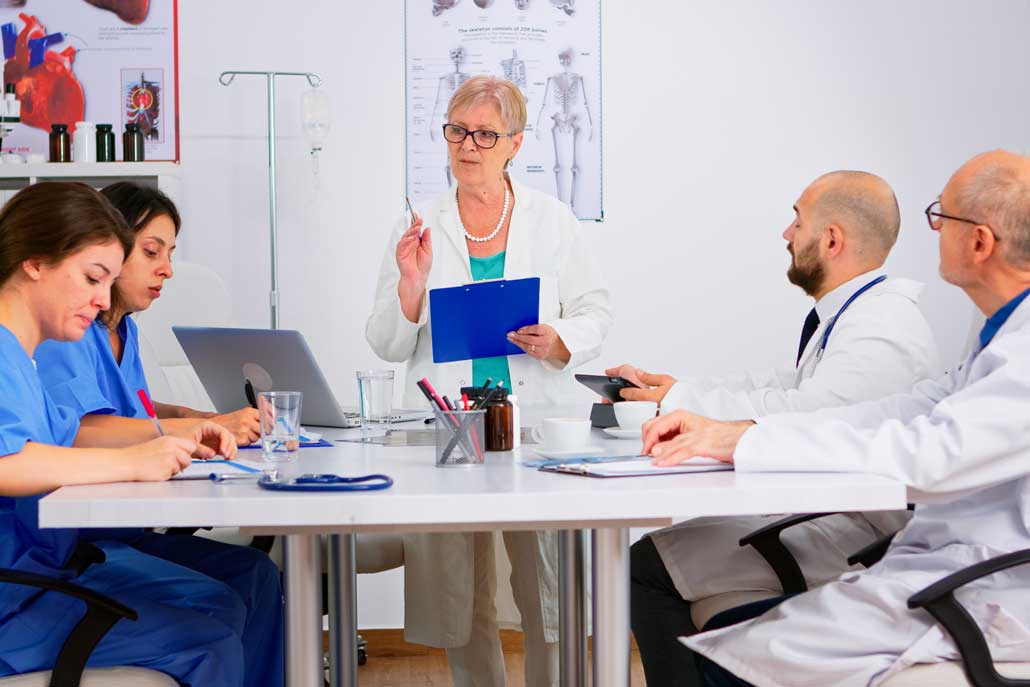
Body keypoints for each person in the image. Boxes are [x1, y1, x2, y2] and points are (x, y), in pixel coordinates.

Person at [642, 150, 1030, 687]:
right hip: (943, 562)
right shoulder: (1001, 332)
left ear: (980, 242)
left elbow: (929, 455)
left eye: (942, 216)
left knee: (726, 660)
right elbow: (908, 407)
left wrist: (746, 442)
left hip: (987, 588)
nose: (934, 228)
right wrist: (744, 435)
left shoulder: (1019, 349)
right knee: (727, 645)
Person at [608, 171, 940, 686]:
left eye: (797, 220)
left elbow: (812, 412)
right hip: (827, 512)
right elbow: (784, 386)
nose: (787, 234)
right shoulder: (855, 314)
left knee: (642, 566)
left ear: (831, 239)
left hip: (860, 534)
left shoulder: (882, 328)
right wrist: (677, 392)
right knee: (646, 559)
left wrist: (702, 419)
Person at [366, 75, 611, 686]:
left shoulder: (553, 221)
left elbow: (594, 312)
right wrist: (409, 286)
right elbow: (387, 342)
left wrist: (560, 339)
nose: (467, 146)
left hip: (532, 428)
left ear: (515, 144)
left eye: (484, 134)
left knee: (546, 593)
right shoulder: (418, 222)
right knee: (457, 594)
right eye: (456, 132)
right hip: (448, 425)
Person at [0, 182, 283, 686]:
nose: (100, 298)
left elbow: (67, 437)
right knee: (209, 642)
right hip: (17, 594)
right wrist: (137, 460)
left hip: (41, 572)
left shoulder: (19, 357)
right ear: (35, 262)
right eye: (92, 277)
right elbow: (10, 463)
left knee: (226, 605)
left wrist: (190, 432)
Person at [35, 182, 260, 446]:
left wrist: (191, 417)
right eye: (151, 252)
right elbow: (80, 428)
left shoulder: (125, 328)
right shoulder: (68, 327)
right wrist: (197, 426)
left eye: (170, 255)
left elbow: (128, 410)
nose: (167, 270)